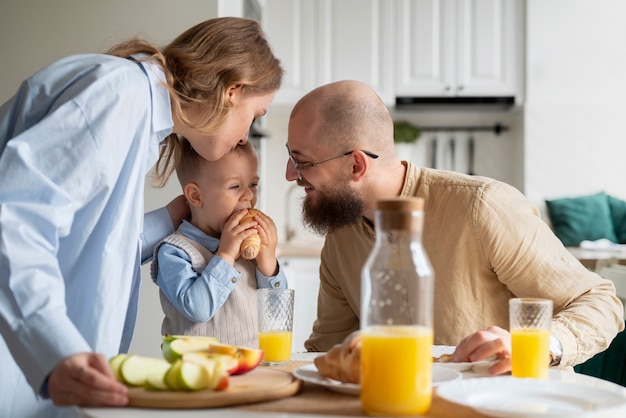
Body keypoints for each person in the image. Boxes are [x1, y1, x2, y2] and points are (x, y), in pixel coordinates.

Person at [0, 17, 283, 418]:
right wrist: (55, 352)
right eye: (254, 116)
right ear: (232, 91)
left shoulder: (139, 117)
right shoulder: (119, 97)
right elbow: (15, 221)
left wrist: (173, 217)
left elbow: (92, 244)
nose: (243, 136)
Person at [285, 80, 624, 375]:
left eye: (302, 162)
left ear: (357, 164)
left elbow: (600, 301)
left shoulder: (483, 207)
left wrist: (535, 345)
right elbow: (327, 351)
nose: (290, 174)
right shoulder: (340, 232)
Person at [151, 139, 287, 347]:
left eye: (253, 184)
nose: (249, 195)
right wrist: (226, 256)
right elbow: (197, 309)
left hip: (251, 367)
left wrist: (268, 263)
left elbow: (277, 313)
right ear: (196, 196)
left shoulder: (251, 248)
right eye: (235, 186)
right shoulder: (174, 252)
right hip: (196, 372)